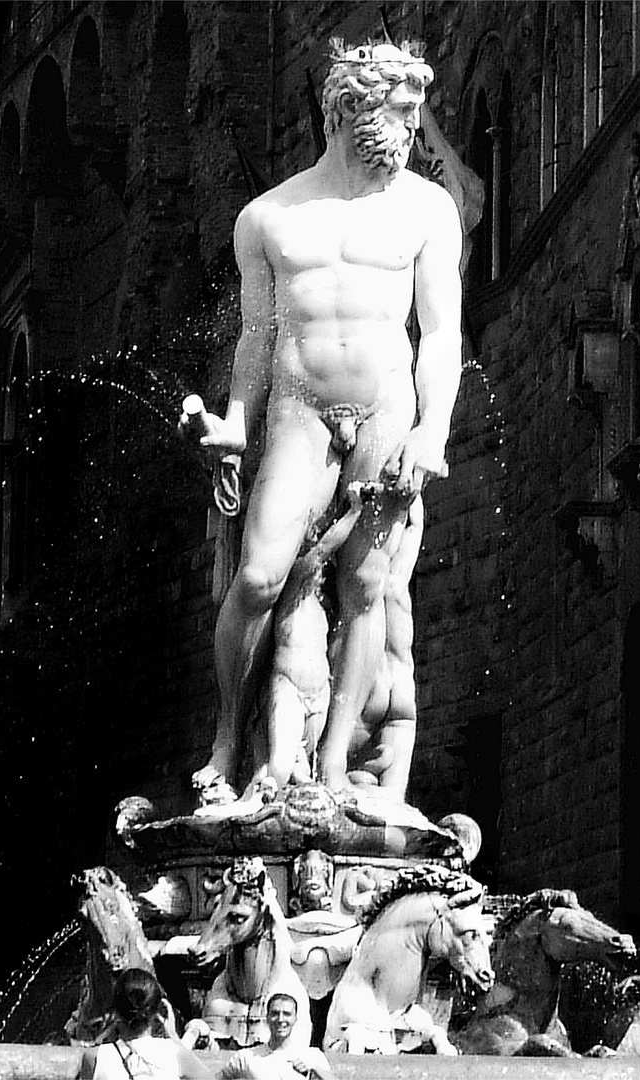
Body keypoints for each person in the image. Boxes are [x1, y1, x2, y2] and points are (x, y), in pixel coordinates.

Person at [190, 39, 463, 804]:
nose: (412, 130)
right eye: (402, 113)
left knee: (367, 583)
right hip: (298, 409)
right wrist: (236, 425)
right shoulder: (268, 216)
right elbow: (256, 336)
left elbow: (441, 333)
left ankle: (339, 763)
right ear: (349, 109)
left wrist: (430, 430)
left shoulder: (426, 207)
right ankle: (223, 740)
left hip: (385, 408)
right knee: (257, 576)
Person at [78, 967, 212, 1080]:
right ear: (157, 1012)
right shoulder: (175, 1053)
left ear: (116, 1011)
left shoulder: (94, 1057)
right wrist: (174, 1036)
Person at [221, 993, 334, 1080]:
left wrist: (315, 1068)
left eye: (287, 1014)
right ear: (267, 1017)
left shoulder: (312, 1055)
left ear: (295, 1019)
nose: (280, 1019)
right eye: (275, 1013)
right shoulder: (246, 1057)